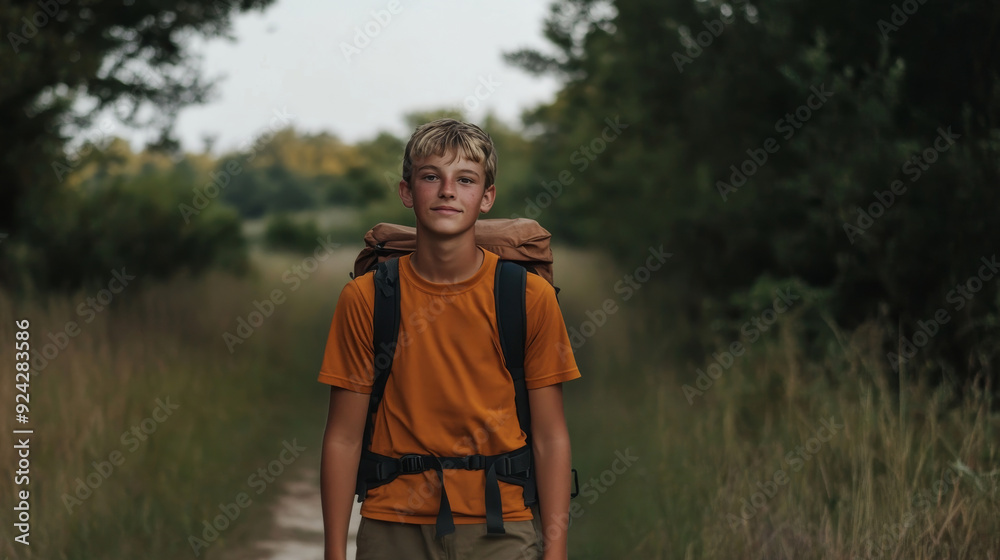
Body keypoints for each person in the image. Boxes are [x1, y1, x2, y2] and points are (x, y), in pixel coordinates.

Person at [317, 118, 581, 560]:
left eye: (465, 179)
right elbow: (342, 437)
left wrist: (555, 554)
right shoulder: (366, 297)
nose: (447, 191)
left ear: (487, 197)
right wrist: (333, 554)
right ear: (406, 192)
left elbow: (550, 437)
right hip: (393, 525)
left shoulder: (527, 296)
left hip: (501, 527)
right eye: (430, 177)